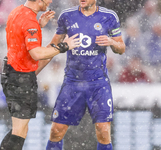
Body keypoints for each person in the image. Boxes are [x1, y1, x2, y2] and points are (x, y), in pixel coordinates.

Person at [0, 0, 80, 150]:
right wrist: (64, 46)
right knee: (19, 131)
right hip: (20, 79)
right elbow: (36, 53)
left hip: (11, 73)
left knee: (20, 129)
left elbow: (19, 35)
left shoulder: (17, 11)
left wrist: (38, 26)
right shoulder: (29, 21)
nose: (50, 1)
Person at [46, 0, 125, 150]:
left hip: (98, 83)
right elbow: (52, 47)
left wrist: (111, 42)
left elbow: (121, 48)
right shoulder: (67, 16)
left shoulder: (109, 16)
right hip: (72, 82)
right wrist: (34, 70)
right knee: (56, 131)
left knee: (103, 130)